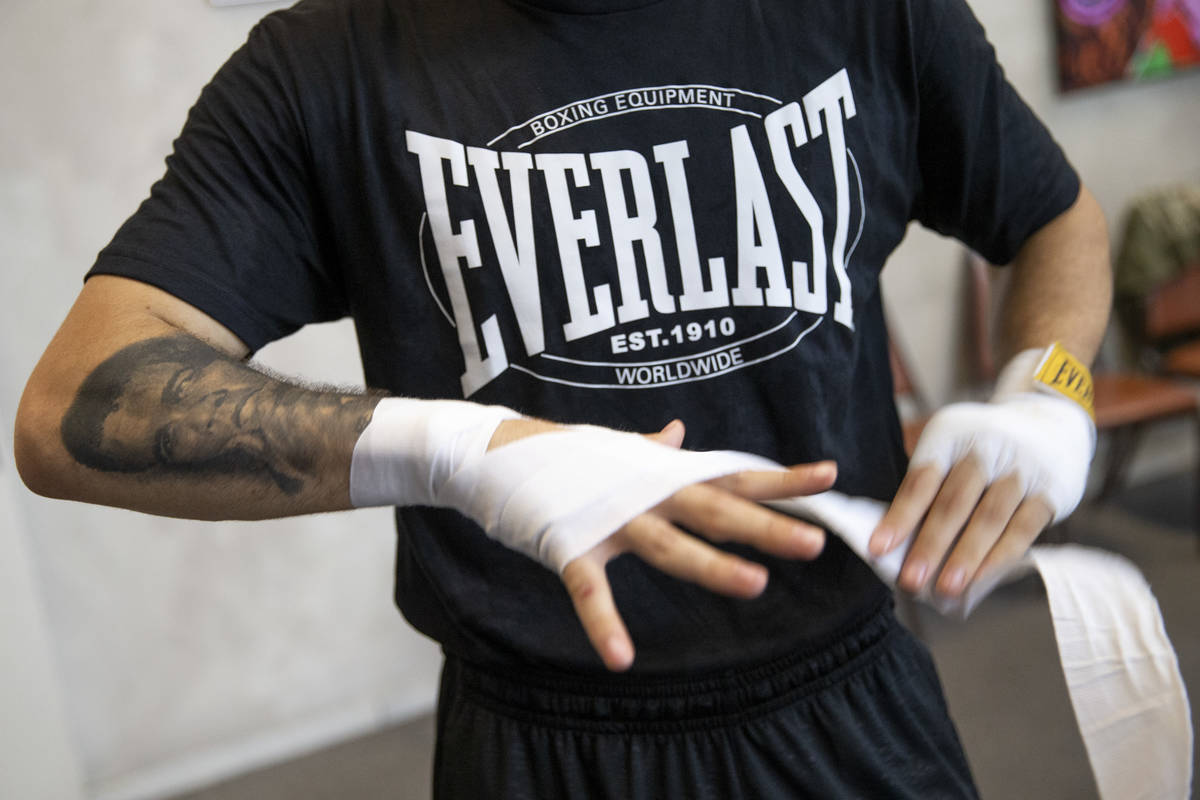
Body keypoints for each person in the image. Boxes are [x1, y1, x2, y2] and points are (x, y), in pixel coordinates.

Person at [14, 0, 1111, 796]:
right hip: (540, 739)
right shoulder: (325, 63)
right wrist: (463, 449)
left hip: (848, 696)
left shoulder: (869, 12)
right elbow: (75, 403)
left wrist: (1049, 391)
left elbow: (1056, 218)